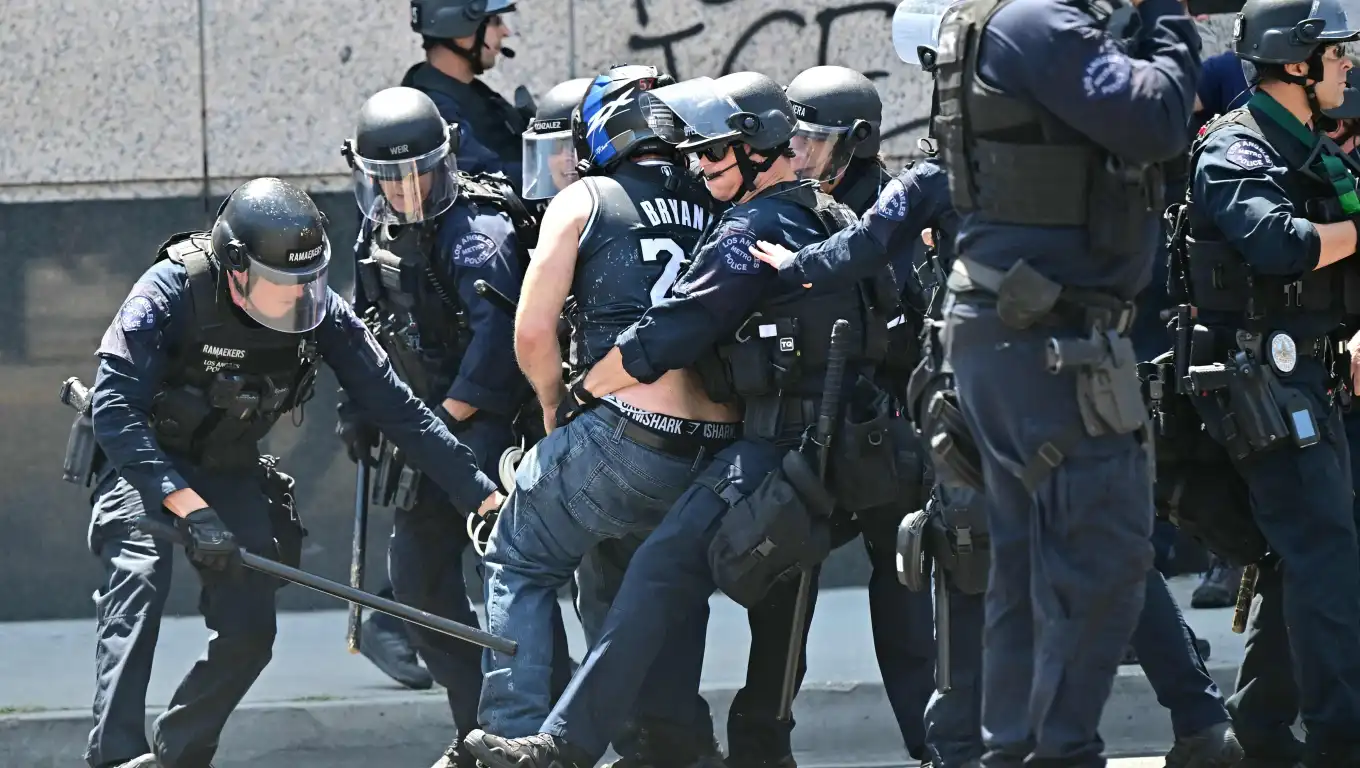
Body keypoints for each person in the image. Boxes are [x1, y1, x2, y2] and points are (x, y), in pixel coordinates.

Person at [464, 70, 908, 768]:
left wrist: (578, 395)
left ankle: (558, 742)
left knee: (625, 571)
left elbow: (664, 333)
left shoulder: (750, 228)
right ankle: (697, 748)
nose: (698, 165)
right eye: (694, 151)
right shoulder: (829, 217)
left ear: (759, 147)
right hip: (823, 449)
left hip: (771, 451)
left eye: (712, 151)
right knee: (693, 585)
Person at [84, 177, 503, 768]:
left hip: (227, 465)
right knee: (139, 581)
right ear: (234, 267)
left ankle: (179, 754)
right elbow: (114, 409)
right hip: (143, 461)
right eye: (279, 284)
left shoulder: (319, 308)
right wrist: (187, 506)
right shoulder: (170, 288)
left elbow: (401, 412)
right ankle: (116, 756)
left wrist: (482, 497)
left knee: (251, 632)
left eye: (307, 281)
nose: (297, 298)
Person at [919, 0, 1204, 760]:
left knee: (1030, 570)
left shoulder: (1020, 23)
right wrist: (1172, 18)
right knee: (1103, 560)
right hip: (1043, 339)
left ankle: (1018, 750)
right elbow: (1158, 120)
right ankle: (1059, 752)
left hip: (1026, 332)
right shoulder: (1038, 24)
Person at [470, 64, 739, 763]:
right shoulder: (718, 195)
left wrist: (554, 409)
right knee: (656, 585)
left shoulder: (586, 197)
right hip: (718, 452)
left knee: (519, 554)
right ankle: (664, 744)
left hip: (624, 433)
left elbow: (533, 332)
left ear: (600, 131)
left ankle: (515, 732)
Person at [333, 86, 568, 768]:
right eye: (390, 178)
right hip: (422, 429)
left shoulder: (479, 233)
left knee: (511, 580)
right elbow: (362, 328)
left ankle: (554, 725)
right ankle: (476, 725)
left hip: (484, 428)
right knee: (416, 584)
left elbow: (498, 345)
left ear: (445, 161)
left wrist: (437, 426)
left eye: (419, 173)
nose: (406, 190)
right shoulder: (376, 230)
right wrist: (358, 409)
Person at [706, 63, 934, 768]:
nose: (799, 153)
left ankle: (935, 741)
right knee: (782, 586)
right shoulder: (788, 203)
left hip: (879, 427)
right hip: (805, 430)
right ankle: (761, 745)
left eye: (815, 141)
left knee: (904, 586)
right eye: (794, 139)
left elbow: (914, 318)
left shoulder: (891, 209)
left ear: (857, 143)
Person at [1180, 1, 1360, 762]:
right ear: (1295, 61)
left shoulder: (1314, 148)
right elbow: (1278, 243)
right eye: (1336, 53)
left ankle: (1258, 725)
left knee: (1309, 558)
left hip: (1318, 380)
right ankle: (1340, 740)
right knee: (1326, 559)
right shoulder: (1236, 146)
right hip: (1260, 387)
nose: (1347, 65)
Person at [404, 0, 529, 190]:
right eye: (495, 21)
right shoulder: (434, 115)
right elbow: (490, 182)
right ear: (462, 33)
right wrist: (553, 169)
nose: (506, 31)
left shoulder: (470, 91)